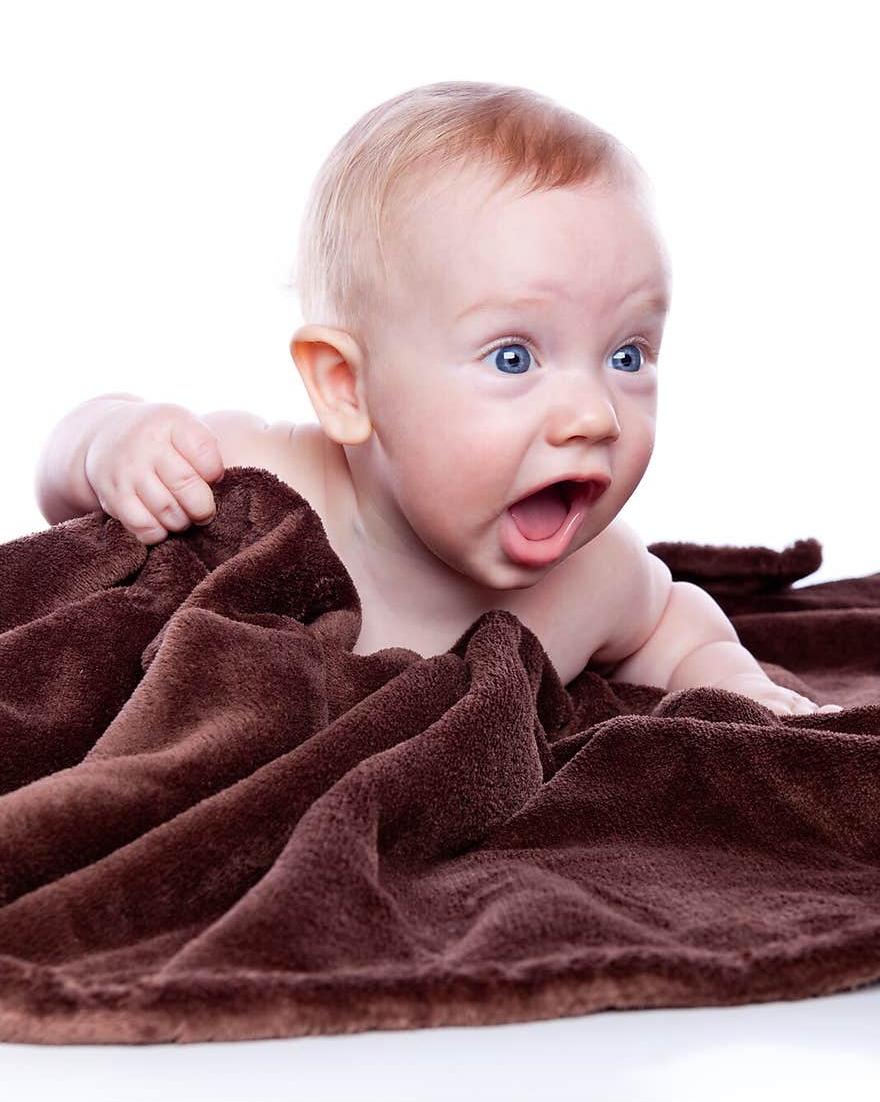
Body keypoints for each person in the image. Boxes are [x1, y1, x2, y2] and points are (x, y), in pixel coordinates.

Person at [33, 80, 842, 717]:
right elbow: (62, 490)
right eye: (516, 356)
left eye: (627, 354)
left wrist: (737, 680)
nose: (594, 415)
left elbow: (677, 624)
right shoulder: (258, 486)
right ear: (347, 388)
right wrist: (113, 443)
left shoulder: (600, 577)